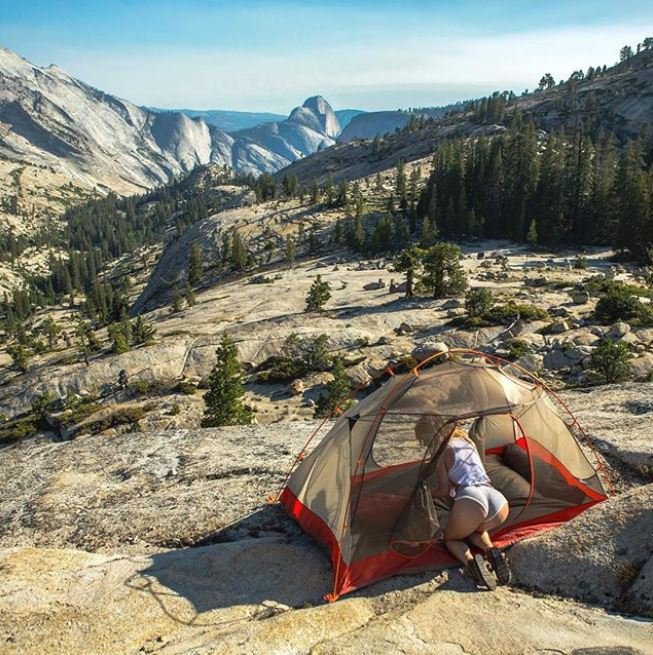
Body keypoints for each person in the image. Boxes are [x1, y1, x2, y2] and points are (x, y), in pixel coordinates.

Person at [427, 419, 511, 590]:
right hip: (497, 500)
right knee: (476, 530)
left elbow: (443, 490)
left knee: (451, 539)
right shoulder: (467, 441)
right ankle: (490, 550)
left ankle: (472, 564)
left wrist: (426, 494)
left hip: (471, 498)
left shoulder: (442, 452)